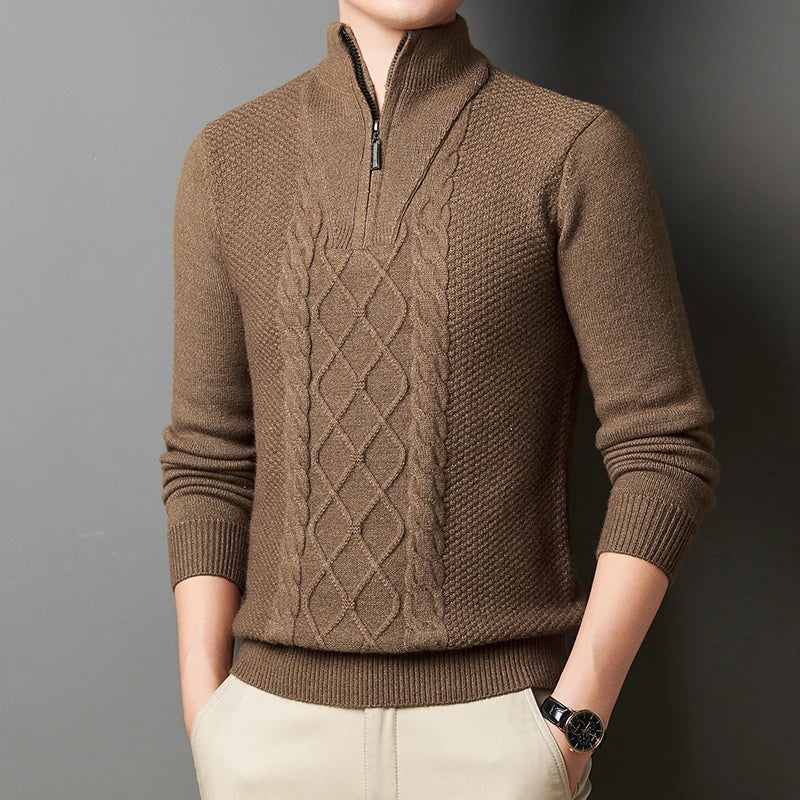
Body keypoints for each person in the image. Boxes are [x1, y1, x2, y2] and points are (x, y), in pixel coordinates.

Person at [158, 1, 721, 798]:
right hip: (268, 739)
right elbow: (208, 458)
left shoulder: (573, 149)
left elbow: (663, 450)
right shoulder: (228, 158)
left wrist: (573, 723)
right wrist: (210, 715)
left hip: (496, 739)